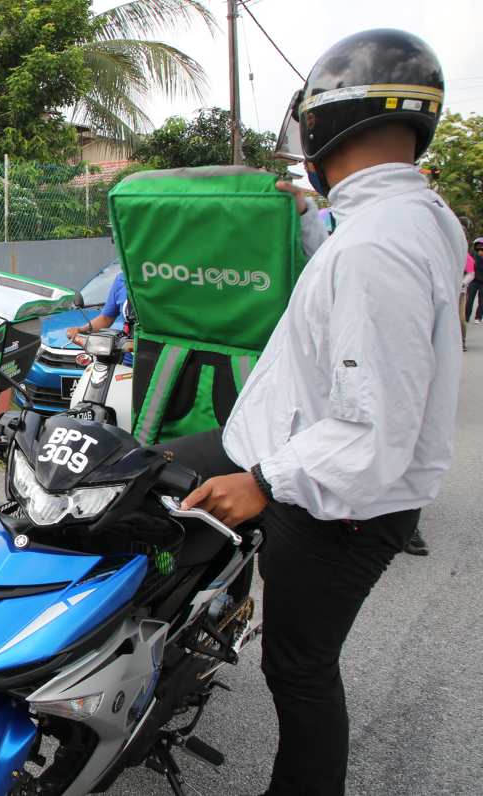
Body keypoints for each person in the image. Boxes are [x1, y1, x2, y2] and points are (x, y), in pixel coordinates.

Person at [165, 30, 463, 795]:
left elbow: (375, 427)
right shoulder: (413, 216)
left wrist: (263, 482)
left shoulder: (374, 247)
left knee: (299, 668)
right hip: (283, 452)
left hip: (338, 499)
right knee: (151, 478)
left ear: (325, 126)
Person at [469, 238, 483, 323]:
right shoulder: (472, 254)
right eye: (478, 246)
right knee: (469, 299)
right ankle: (466, 316)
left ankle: (478, 317)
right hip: (474, 280)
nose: (480, 248)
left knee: (481, 301)